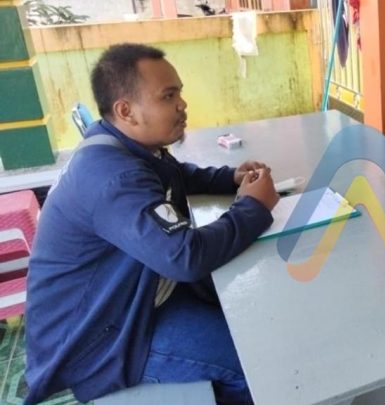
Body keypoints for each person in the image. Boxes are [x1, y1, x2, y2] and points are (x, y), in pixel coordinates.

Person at [25, 43, 279, 404]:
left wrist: (229, 178)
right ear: (125, 111)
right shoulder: (112, 177)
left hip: (134, 300)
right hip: (104, 339)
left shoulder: (127, 146)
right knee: (262, 368)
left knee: (251, 319)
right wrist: (254, 207)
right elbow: (185, 257)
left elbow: (174, 175)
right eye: (168, 96)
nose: (182, 104)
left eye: (179, 93)